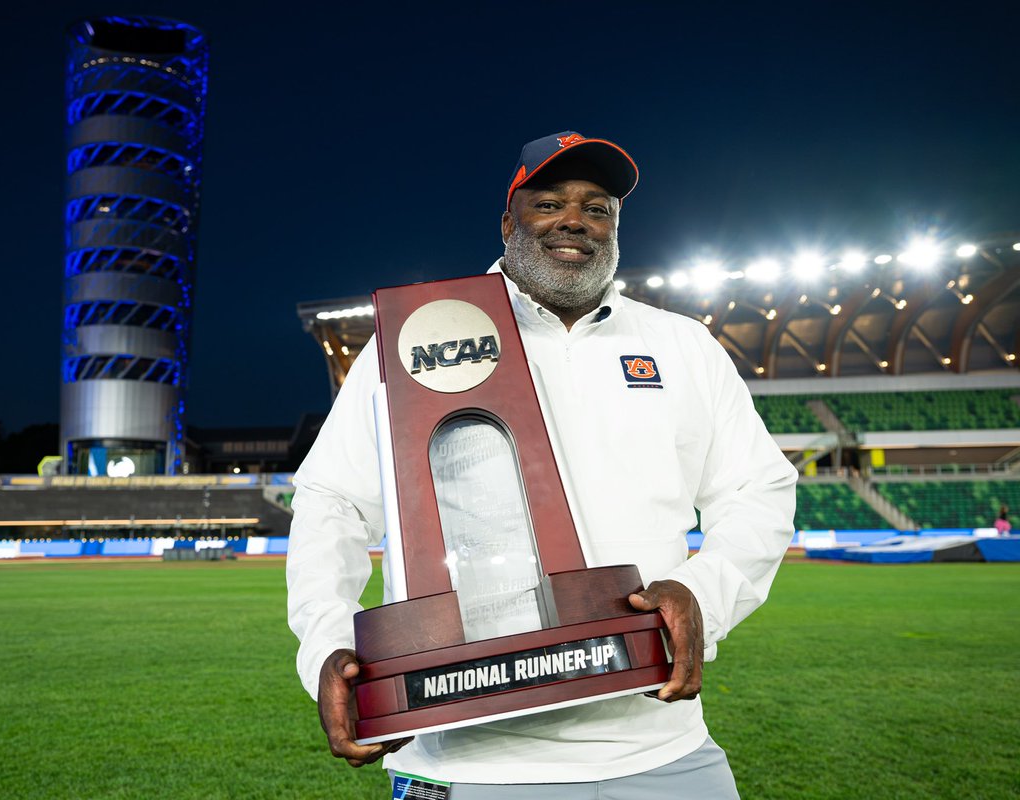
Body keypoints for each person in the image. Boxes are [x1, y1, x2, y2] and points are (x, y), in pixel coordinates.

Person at [286, 131, 798, 798]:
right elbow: (334, 502)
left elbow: (758, 489)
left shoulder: (680, 345)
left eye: (598, 208)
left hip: (665, 750)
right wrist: (326, 644)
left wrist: (703, 592)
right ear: (508, 220)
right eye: (549, 202)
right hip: (471, 762)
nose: (574, 223)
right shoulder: (419, 339)